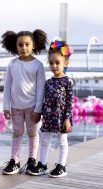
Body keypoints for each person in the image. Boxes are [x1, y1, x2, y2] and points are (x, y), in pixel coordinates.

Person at [1, 29, 48, 175]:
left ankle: (32, 160)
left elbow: (41, 89)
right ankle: (14, 160)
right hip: (16, 108)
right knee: (17, 133)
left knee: (33, 134)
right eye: (20, 45)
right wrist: (5, 106)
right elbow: (7, 86)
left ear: (33, 45)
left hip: (32, 108)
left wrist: (38, 110)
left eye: (27, 44)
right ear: (15, 46)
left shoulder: (38, 65)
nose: (24, 47)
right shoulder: (12, 64)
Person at [27, 40, 74, 178]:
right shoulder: (48, 82)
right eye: (51, 63)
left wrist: (67, 119)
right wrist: (38, 112)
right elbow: (42, 99)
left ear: (65, 63)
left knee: (62, 142)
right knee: (45, 140)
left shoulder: (67, 82)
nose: (54, 66)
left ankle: (61, 166)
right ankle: (42, 164)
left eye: (57, 63)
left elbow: (70, 102)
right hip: (48, 117)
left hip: (62, 118)